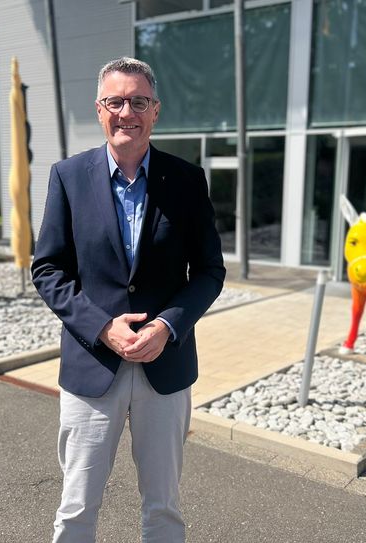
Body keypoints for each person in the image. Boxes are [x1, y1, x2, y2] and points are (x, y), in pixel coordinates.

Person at [31, 57, 226, 543]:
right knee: (77, 507)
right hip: (93, 365)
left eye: (138, 101)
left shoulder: (186, 181)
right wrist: (102, 326)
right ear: (100, 110)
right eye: (115, 101)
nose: (127, 111)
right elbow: (48, 269)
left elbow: (208, 271)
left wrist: (167, 327)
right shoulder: (68, 177)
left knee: (164, 508)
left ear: (154, 111)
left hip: (166, 367)